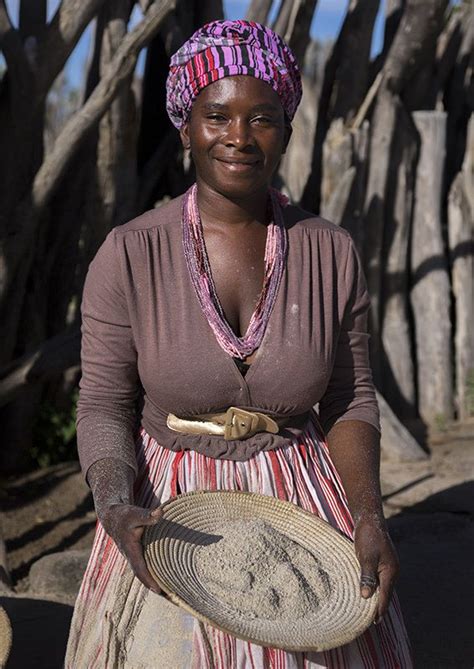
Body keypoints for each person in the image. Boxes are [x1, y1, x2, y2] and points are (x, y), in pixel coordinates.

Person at [66, 20, 412, 668]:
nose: (238, 137)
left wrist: (368, 511)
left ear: (285, 126)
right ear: (185, 123)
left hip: (301, 505)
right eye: (217, 115)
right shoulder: (131, 254)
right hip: (169, 508)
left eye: (262, 118)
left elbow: (349, 398)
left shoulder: (328, 251)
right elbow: (104, 402)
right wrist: (116, 504)